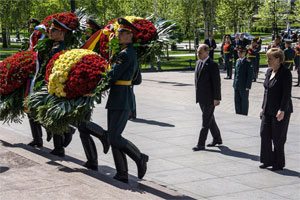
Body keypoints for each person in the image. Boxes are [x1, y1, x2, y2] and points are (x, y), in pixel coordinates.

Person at [105, 18, 148, 183]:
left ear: (131, 36)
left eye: (122, 32)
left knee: (115, 137)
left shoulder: (125, 54)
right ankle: (122, 172)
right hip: (120, 96)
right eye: (119, 32)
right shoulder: (129, 52)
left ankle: (139, 158)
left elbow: (113, 76)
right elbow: (137, 80)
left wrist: (95, 85)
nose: (119, 35)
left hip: (121, 98)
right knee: (113, 136)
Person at [27, 18, 75, 157]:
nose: (50, 32)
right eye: (50, 29)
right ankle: (64, 134)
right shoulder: (54, 46)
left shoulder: (60, 48)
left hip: (53, 86)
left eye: (54, 30)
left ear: (61, 33)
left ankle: (59, 146)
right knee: (37, 111)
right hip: (47, 83)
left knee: (50, 115)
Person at [259, 48, 293, 171]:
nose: (267, 61)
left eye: (270, 59)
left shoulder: (285, 73)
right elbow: (266, 92)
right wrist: (263, 107)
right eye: (267, 58)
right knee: (264, 134)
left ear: (278, 59)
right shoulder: (269, 72)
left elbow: (286, 94)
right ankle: (267, 160)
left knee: (278, 137)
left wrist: (282, 110)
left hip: (280, 110)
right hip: (268, 109)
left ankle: (278, 163)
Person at [193, 44, 222, 151]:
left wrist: (217, 98)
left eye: (200, 52)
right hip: (201, 97)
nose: (198, 54)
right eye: (197, 52)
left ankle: (201, 144)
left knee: (205, 121)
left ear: (207, 52)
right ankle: (217, 138)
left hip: (210, 98)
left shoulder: (212, 65)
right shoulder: (198, 63)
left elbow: (216, 83)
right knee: (210, 119)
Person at [233, 46, 253, 115]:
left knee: (244, 101)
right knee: (237, 101)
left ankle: (244, 115)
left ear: (245, 53)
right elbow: (236, 73)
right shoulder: (237, 61)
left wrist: (248, 86)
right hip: (237, 85)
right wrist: (234, 84)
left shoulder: (248, 62)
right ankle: (238, 114)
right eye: (238, 52)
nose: (239, 54)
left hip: (244, 85)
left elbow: (250, 75)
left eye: (241, 52)